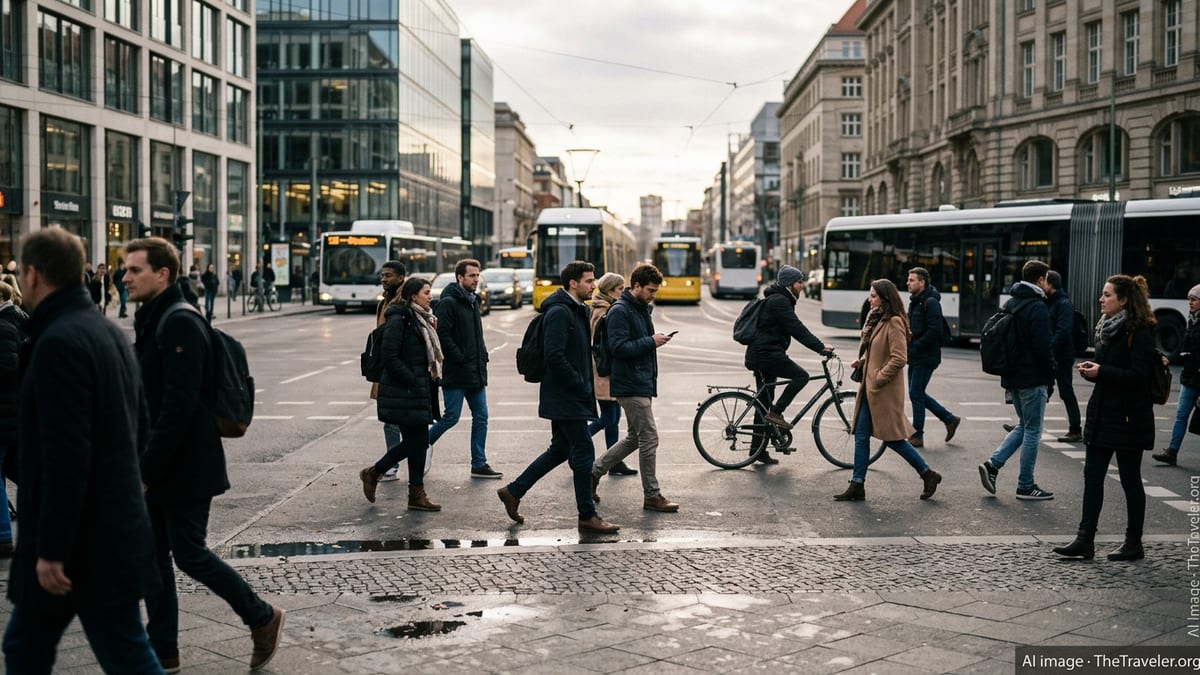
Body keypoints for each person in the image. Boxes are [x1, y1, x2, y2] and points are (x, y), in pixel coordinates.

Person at [2, 228, 162, 673]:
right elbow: (141, 426)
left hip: (78, 542)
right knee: (30, 645)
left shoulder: (57, 343)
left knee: (120, 651)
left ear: (32, 273)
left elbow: (64, 456)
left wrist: (51, 548)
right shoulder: (106, 332)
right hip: (110, 527)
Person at [124, 237, 284, 672]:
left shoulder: (179, 323)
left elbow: (177, 408)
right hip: (162, 461)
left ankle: (262, 616)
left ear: (163, 274)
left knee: (189, 553)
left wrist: (145, 471)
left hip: (185, 466)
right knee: (153, 559)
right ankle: (165, 653)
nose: (124, 277)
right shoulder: (154, 317)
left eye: (134, 270)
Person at [496, 261, 620, 533]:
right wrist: (578, 383)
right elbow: (554, 355)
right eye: (589, 281)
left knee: (561, 449)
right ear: (573, 283)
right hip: (566, 395)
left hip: (568, 394)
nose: (594, 284)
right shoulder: (560, 312)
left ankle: (513, 491)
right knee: (584, 450)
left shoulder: (575, 309)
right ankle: (587, 515)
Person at [1054, 275, 1158, 562]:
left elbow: (1139, 377)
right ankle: (1085, 539)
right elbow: (1111, 370)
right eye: (1102, 294)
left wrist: (1103, 372)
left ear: (1123, 300)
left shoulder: (1140, 330)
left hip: (1128, 418)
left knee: (1130, 479)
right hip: (1103, 414)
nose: (1101, 299)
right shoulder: (1106, 328)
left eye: (1107, 294)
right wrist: (1094, 371)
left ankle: (1133, 543)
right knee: (1092, 477)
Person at [834, 279, 942, 501]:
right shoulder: (876, 320)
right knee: (862, 435)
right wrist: (864, 362)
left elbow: (899, 358)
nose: (869, 299)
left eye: (873, 295)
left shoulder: (894, 322)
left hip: (883, 391)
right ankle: (858, 484)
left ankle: (927, 473)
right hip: (870, 389)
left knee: (893, 439)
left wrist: (878, 377)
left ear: (884, 298)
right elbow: (879, 351)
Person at [590, 264, 679, 512]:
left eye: (655, 291)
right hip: (629, 383)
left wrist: (652, 341)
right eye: (650, 290)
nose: (653, 295)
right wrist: (651, 341)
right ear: (636, 286)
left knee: (634, 438)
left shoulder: (639, 309)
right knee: (649, 437)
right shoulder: (620, 310)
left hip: (640, 381)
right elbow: (618, 348)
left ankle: (593, 472)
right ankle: (652, 494)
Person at [358, 276, 443, 511]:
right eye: (426, 292)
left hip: (417, 391)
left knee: (419, 442)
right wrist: (413, 379)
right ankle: (375, 472)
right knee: (417, 442)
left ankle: (415, 495)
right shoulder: (400, 319)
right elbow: (390, 356)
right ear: (413, 295)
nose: (430, 296)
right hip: (404, 391)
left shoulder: (421, 319)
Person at [978, 260, 1057, 501]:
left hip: (1012, 377)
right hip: (1032, 378)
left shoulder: (1011, 303)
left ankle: (993, 465)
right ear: (1041, 280)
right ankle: (1025, 485)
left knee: (1023, 425)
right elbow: (1043, 348)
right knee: (1033, 430)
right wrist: (1050, 377)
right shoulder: (1037, 307)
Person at [743, 264, 832, 464]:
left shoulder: (779, 299)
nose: (802, 285)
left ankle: (757, 450)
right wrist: (820, 347)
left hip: (763, 354)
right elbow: (797, 329)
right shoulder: (779, 302)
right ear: (790, 284)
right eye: (800, 282)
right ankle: (777, 413)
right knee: (801, 376)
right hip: (766, 355)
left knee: (763, 404)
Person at [428, 259, 501, 479]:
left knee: (481, 416)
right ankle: (419, 446)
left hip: (475, 371)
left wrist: (483, 355)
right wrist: (459, 357)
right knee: (451, 417)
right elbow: (442, 336)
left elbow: (476, 336)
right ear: (460, 277)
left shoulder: (472, 301)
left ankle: (479, 463)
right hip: (457, 371)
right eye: (472, 276)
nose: (476, 280)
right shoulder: (448, 302)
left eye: (478, 275)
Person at [905, 267, 962, 448]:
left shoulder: (930, 303)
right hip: (915, 355)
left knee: (915, 393)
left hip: (926, 356)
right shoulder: (915, 301)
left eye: (912, 280)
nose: (908, 282)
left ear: (922, 283)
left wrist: (915, 345)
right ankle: (949, 419)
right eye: (908, 279)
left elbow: (934, 331)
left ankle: (918, 434)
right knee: (917, 393)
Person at [586, 273, 636, 476]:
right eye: (620, 289)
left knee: (613, 418)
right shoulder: (603, 311)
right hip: (604, 371)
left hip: (607, 371)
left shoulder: (604, 308)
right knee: (608, 417)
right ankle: (575, 442)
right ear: (609, 291)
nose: (623, 292)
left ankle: (614, 461)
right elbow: (602, 345)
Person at [1152, 284, 1200, 466]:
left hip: (1198, 379)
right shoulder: (1192, 320)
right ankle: (1172, 451)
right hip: (1189, 378)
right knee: (1181, 414)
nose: (1190, 303)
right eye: (1189, 299)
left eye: (1194, 300)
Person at [370, 262, 408, 482]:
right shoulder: (384, 299)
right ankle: (397, 461)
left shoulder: (401, 302)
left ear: (401, 278)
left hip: (396, 367)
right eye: (382, 275)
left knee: (396, 420)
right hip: (386, 368)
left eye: (388, 276)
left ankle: (393, 464)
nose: (383, 279)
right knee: (391, 420)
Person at [0, 280, 25, 557]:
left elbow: (8, 367)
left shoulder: (5, 326)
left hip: (5, 412)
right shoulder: (14, 321)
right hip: (11, 412)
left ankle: (4, 533)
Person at [1044, 270, 1083, 442]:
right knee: (1043, 390)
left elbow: (1063, 331)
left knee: (1065, 391)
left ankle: (1075, 429)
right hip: (1053, 354)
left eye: (1043, 281)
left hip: (1062, 356)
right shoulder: (1050, 302)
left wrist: (1048, 347)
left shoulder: (1063, 303)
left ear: (1051, 284)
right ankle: (1024, 423)